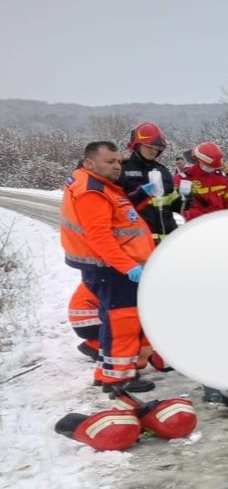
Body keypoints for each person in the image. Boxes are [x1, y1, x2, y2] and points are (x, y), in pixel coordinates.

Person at [60, 141, 157, 393]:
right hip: (112, 269)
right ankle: (118, 379)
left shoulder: (99, 184)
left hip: (111, 267)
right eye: (110, 162)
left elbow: (119, 215)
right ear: (90, 162)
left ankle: (107, 372)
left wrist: (141, 195)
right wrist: (128, 267)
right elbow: (100, 236)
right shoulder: (93, 191)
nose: (116, 167)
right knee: (122, 323)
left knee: (115, 322)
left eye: (118, 162)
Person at [120, 122, 183, 244]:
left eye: (157, 148)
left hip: (167, 242)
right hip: (139, 243)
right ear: (137, 145)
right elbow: (116, 208)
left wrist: (183, 200)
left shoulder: (163, 171)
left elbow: (173, 206)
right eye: (149, 146)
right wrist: (139, 196)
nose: (153, 151)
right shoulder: (122, 170)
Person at [175, 141, 228, 222]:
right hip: (195, 226)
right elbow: (177, 209)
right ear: (198, 159)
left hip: (220, 224)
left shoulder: (221, 177)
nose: (211, 169)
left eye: (214, 167)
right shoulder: (183, 178)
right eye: (208, 166)